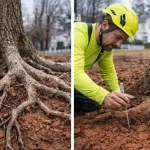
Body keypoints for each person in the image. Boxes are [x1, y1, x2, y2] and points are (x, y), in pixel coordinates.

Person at [74, 3, 138, 112]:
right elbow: (75, 72)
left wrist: (117, 93)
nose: (118, 45)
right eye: (118, 37)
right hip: (62, 79)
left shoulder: (105, 45)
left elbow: (108, 71)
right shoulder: (78, 33)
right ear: (105, 25)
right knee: (90, 102)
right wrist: (103, 96)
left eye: (122, 41)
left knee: (92, 104)